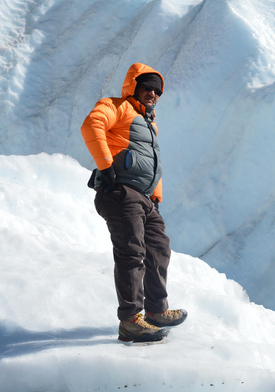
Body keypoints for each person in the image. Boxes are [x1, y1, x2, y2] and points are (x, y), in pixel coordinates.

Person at [81, 63, 187, 343]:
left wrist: (156, 197)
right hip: (121, 192)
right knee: (132, 253)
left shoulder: (150, 123)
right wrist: (105, 167)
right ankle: (130, 321)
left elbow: (152, 166)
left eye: (157, 91)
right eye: (147, 87)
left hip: (145, 199)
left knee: (159, 250)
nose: (153, 93)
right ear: (134, 86)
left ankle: (155, 311)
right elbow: (92, 125)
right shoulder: (117, 107)